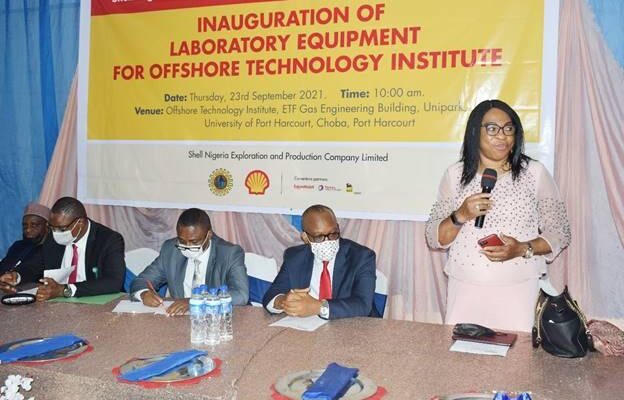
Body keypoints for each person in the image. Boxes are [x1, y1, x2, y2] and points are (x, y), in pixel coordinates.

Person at [425, 99, 571, 332]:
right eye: (492, 129)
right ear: (475, 132)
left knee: (516, 354)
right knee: (462, 353)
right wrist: (460, 214)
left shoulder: (534, 173)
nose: (502, 136)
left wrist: (521, 248)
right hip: (466, 288)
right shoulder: (455, 175)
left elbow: (559, 232)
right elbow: (435, 238)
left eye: (508, 128)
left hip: (518, 288)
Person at [263, 204, 377, 320]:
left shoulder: (362, 257)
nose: (328, 241)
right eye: (319, 237)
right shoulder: (294, 257)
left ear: (338, 228)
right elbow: (271, 294)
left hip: (352, 325)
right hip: (307, 325)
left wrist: (319, 307)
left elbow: (363, 305)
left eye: (333, 234)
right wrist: (284, 301)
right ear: (305, 237)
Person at [0, 197, 125, 300]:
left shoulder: (108, 240)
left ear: (80, 223)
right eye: (52, 227)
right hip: (58, 304)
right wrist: (17, 275)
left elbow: (114, 281)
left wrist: (65, 290)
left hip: (97, 303)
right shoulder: (53, 237)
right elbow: (35, 264)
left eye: (62, 229)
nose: (56, 233)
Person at [130, 208, 249, 316]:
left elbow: (241, 295)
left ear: (209, 235)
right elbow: (141, 281)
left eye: (194, 242)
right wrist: (144, 294)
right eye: (182, 241)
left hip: (219, 319)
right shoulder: (171, 250)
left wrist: (195, 300)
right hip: (180, 320)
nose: (187, 246)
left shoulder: (229, 253)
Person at [0, 202, 50, 274]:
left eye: (34, 225)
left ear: (47, 226)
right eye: (25, 225)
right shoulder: (17, 245)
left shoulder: (50, 251)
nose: (28, 230)